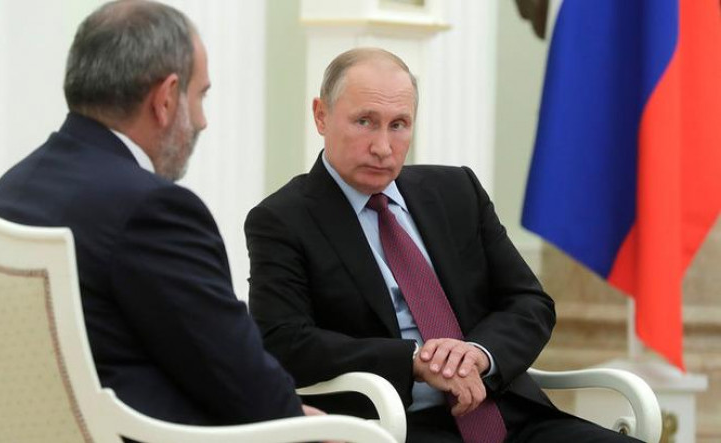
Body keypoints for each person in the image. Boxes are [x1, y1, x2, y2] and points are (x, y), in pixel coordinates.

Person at [245, 48, 642, 442]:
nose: (382, 146)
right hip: (396, 426)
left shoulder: (457, 191)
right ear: (321, 115)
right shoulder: (282, 220)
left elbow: (529, 302)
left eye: (399, 125)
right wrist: (414, 361)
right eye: (365, 122)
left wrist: (480, 354)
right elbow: (284, 340)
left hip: (510, 414)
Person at [0, 0, 307, 429]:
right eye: (200, 95)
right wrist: (312, 423)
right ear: (166, 98)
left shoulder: (14, 187)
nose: (203, 121)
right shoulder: (152, 210)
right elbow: (246, 386)